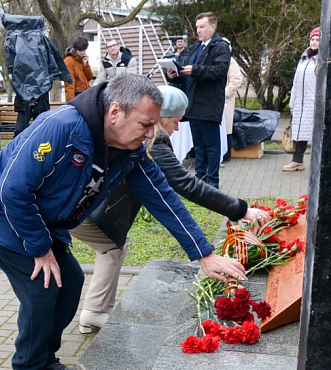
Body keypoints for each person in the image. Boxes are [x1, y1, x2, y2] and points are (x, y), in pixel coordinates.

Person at [0, 74, 246, 370]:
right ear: (114, 113)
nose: (151, 134)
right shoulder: (61, 127)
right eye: (145, 123)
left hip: (35, 214)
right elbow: (13, 190)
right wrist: (41, 250)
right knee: (41, 287)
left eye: (154, 125)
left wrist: (204, 254)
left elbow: (164, 198)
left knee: (71, 280)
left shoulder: (129, 150)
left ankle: (44, 361)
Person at [71, 85, 269, 333]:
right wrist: (240, 209)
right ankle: (94, 312)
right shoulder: (152, 145)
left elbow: (169, 197)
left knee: (115, 246)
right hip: (82, 211)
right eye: (175, 122)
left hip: (91, 209)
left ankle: (96, 310)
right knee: (112, 246)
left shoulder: (147, 141)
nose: (177, 129)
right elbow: (188, 185)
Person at [165, 12, 231, 189]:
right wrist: (173, 75)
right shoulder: (195, 47)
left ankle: (213, 181)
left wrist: (195, 70)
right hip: (193, 104)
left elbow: (219, 71)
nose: (199, 31)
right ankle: (200, 179)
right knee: (199, 146)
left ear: (213, 26)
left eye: (202, 27)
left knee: (211, 146)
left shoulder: (221, 46)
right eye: (197, 27)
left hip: (209, 104)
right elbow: (186, 72)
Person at [285, 27, 320, 172]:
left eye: (318, 40)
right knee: (300, 132)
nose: (314, 42)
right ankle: (297, 160)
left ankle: (318, 163)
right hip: (300, 102)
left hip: (314, 102)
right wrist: (292, 102)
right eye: (312, 39)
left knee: (316, 133)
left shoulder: (322, 59)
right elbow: (295, 82)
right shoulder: (304, 57)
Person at [221, 55, 245, 164]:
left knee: (226, 128)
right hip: (211, 102)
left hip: (225, 100)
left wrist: (225, 93)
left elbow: (236, 80)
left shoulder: (230, 61)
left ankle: (225, 155)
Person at [63, 36, 94, 101]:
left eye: (84, 50)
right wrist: (70, 102)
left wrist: (86, 65)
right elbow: (69, 84)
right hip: (76, 94)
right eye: (80, 50)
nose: (82, 52)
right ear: (75, 49)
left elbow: (89, 77)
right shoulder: (68, 61)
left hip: (85, 92)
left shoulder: (83, 58)